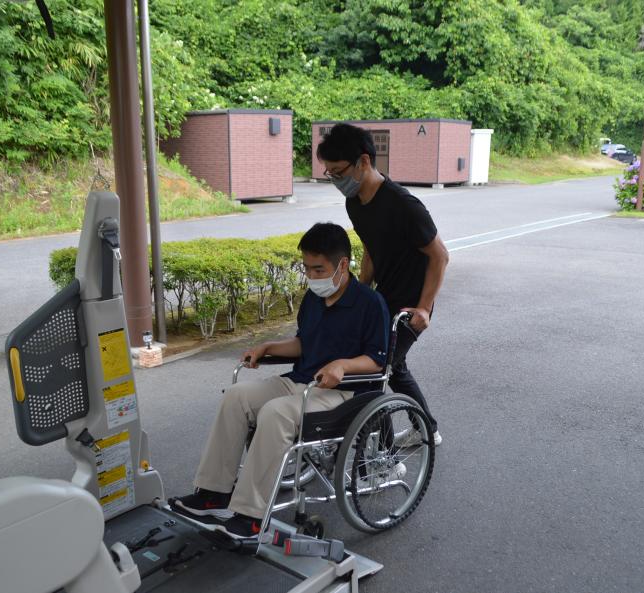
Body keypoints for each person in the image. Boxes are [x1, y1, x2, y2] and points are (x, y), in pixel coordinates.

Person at [170, 222, 389, 538]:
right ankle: (213, 494)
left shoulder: (370, 304)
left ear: (343, 265)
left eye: (318, 269)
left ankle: (251, 517)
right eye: (307, 270)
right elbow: (304, 343)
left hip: (341, 393)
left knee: (275, 413)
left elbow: (378, 361)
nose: (312, 277)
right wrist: (268, 347)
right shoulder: (314, 299)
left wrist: (342, 365)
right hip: (300, 381)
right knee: (236, 396)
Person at [317, 123, 449, 446]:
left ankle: (384, 457)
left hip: (411, 305)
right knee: (394, 365)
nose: (335, 180)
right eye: (329, 173)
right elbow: (372, 250)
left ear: (363, 162)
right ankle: (428, 429)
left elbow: (440, 257)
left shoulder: (405, 205)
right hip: (383, 298)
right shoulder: (355, 203)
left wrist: (424, 308)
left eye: (338, 172)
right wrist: (359, 291)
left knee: (374, 372)